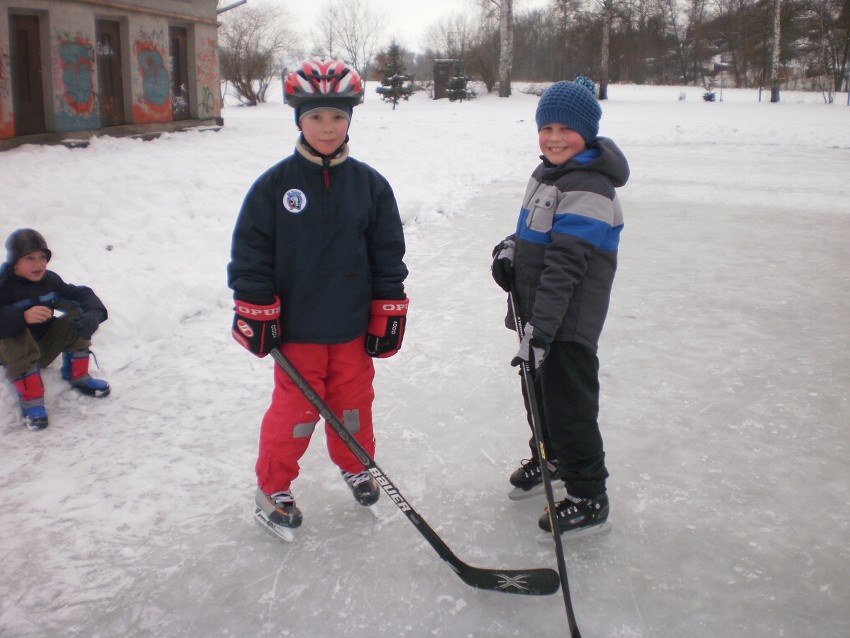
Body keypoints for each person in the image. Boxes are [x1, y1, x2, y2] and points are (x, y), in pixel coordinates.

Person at [228, 58, 409, 540]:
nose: (327, 127)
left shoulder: (370, 185)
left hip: (350, 327)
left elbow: (388, 253)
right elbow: (251, 253)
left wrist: (388, 309)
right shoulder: (274, 186)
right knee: (295, 415)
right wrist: (254, 306)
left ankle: (356, 465)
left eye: (336, 117)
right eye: (315, 117)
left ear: (350, 119)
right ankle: (273, 488)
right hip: (298, 331)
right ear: (298, 121)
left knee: (353, 405)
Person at [490, 78, 629, 536]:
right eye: (545, 126)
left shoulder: (590, 187)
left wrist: (543, 333)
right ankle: (549, 457)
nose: (553, 137)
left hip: (565, 324)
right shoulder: (547, 174)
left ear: (587, 132)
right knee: (538, 396)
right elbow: (530, 232)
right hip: (539, 314)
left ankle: (590, 496)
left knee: (568, 406)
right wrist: (509, 250)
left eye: (565, 129)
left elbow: (566, 266)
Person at [0, 228, 110, 430]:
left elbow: (82, 294)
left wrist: (93, 316)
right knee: (16, 331)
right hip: (10, 356)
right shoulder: (3, 286)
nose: (39, 264)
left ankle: (77, 375)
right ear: (15, 262)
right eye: (30, 258)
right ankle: (32, 401)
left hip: (40, 350)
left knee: (75, 310)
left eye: (43, 257)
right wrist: (22, 317)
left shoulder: (49, 281)